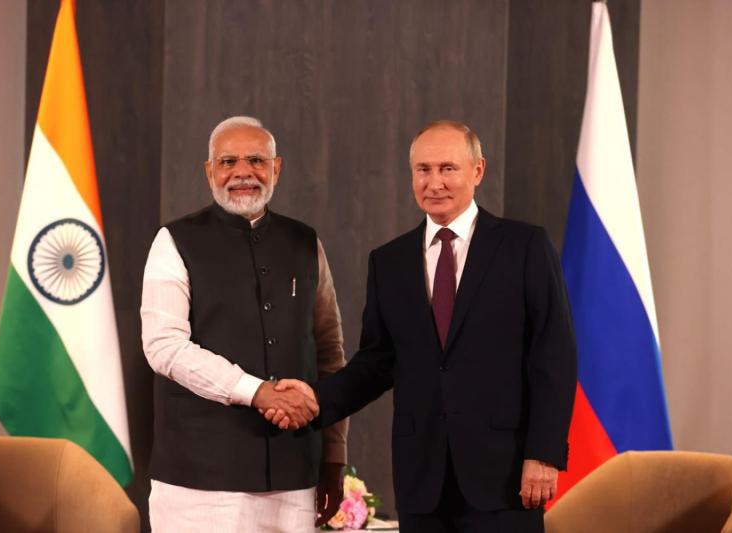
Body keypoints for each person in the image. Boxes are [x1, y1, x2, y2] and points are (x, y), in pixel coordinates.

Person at [271, 121, 577, 532]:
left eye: (448, 168)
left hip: (505, 479)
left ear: (478, 171)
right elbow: (377, 362)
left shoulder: (524, 247)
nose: (434, 183)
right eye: (423, 170)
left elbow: (553, 357)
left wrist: (543, 454)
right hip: (422, 481)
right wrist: (316, 398)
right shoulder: (389, 261)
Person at [141, 116, 348, 532]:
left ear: (276, 168)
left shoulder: (305, 242)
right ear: (209, 171)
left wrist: (333, 457)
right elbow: (164, 347)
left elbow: (329, 354)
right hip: (200, 480)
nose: (242, 172)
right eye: (228, 161)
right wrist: (257, 391)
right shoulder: (174, 241)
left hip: (294, 475)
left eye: (256, 160)